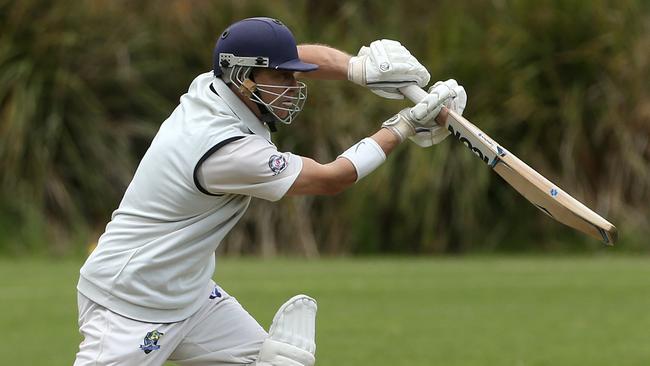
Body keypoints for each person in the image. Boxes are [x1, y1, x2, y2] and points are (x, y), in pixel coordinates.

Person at [73, 17, 467, 366]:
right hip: (127, 303)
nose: (294, 87)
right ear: (245, 79)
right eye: (283, 78)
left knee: (282, 362)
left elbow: (297, 55)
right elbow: (332, 178)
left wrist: (359, 69)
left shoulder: (213, 84)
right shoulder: (226, 151)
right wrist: (403, 125)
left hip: (187, 296)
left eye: (293, 76)